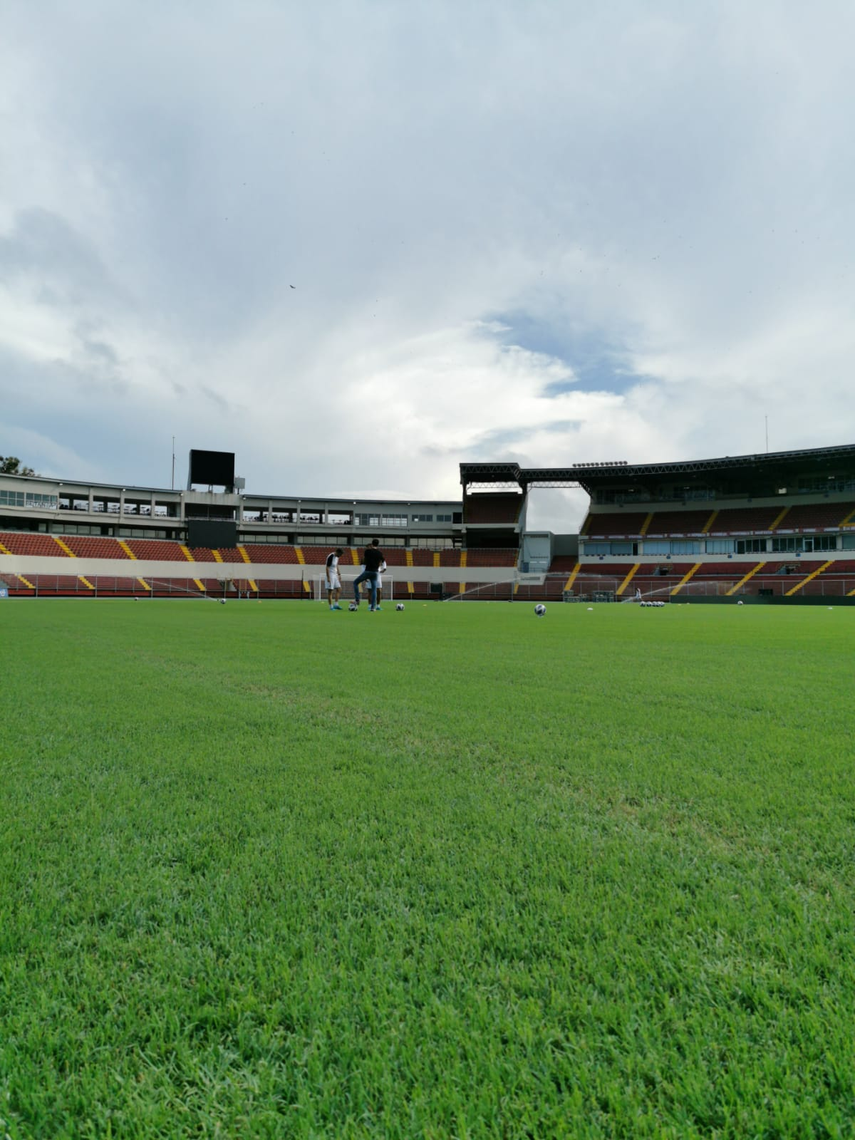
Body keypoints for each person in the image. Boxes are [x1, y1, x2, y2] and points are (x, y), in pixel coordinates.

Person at [353, 539, 384, 610]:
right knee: (374, 590)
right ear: (378, 544)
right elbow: (381, 561)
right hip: (375, 572)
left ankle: (357, 600)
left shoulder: (367, 551)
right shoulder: (380, 553)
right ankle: (373, 607)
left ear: (372, 544)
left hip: (368, 571)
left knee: (355, 582)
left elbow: (365, 560)